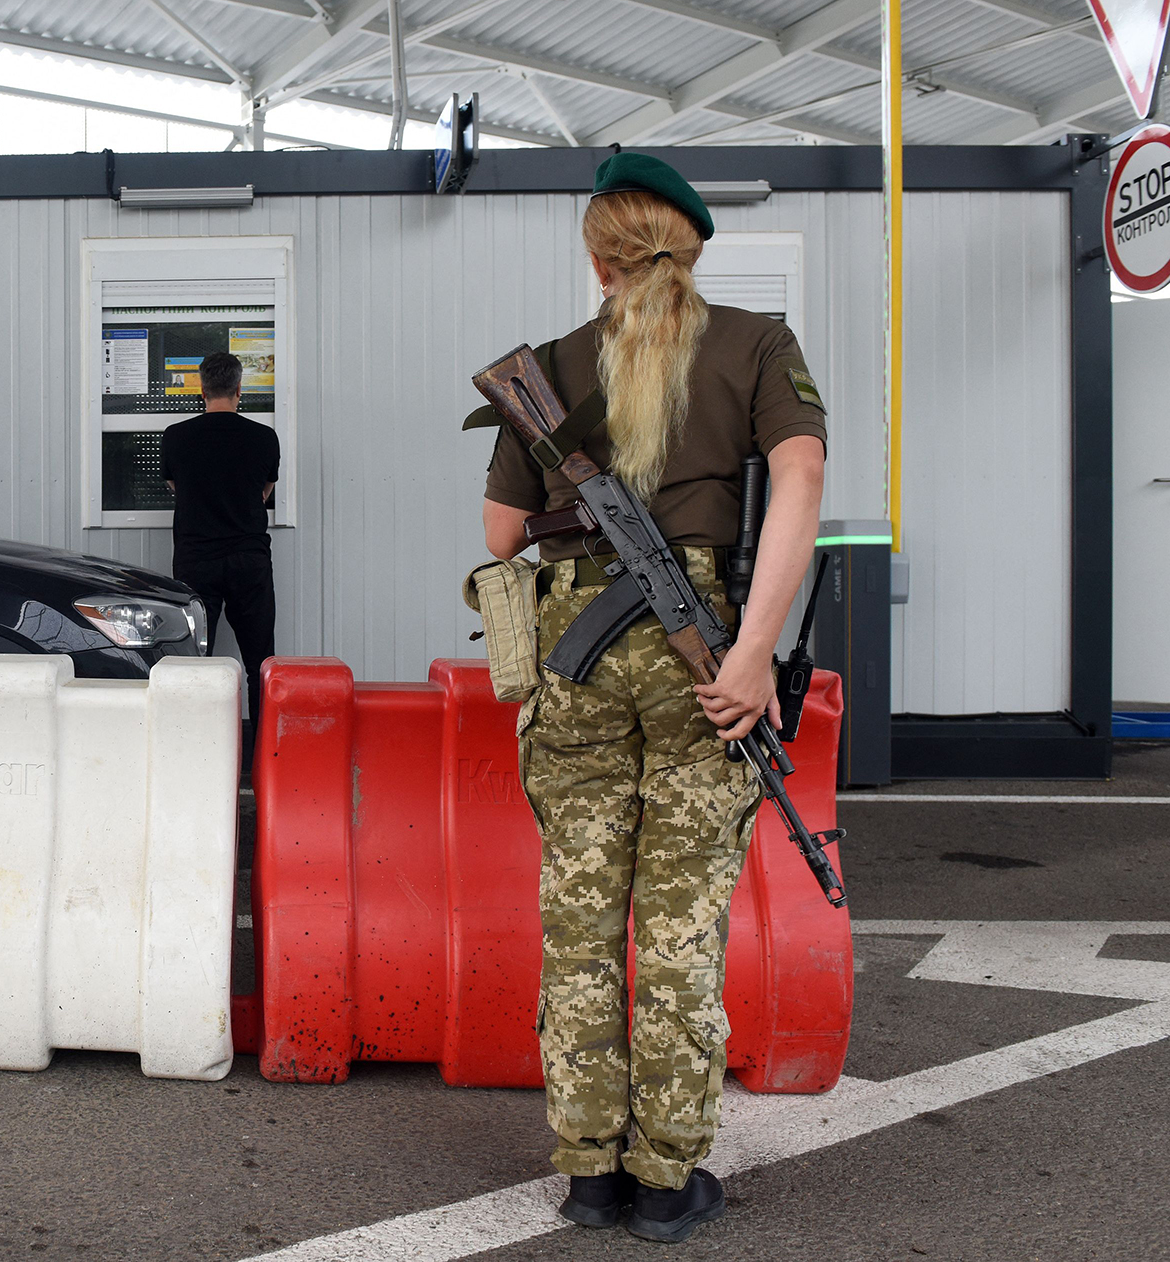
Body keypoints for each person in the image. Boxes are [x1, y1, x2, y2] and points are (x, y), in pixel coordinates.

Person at [477, 153, 827, 1244]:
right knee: (677, 925)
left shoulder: (550, 364)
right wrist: (755, 653)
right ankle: (665, 1177)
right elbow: (801, 478)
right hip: (706, 658)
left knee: (579, 919)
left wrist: (570, 515)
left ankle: (587, 1170)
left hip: (575, 662)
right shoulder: (755, 343)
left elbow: (497, 538)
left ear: (597, 260)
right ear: (695, 249)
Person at [161, 350, 280, 733]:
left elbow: (176, 488)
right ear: (239, 388)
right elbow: (265, 492)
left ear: (202, 389)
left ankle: (195, 744)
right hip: (249, 560)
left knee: (193, 661)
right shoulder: (264, 438)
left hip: (196, 561)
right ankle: (263, 753)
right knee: (260, 661)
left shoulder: (176, 437)